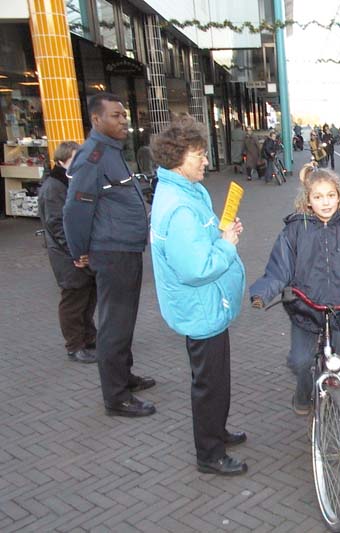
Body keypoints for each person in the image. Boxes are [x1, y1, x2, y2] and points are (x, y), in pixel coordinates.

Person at [149, 115, 248, 476]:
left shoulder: (187, 191)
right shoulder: (179, 206)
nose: (206, 161)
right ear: (178, 158)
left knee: (214, 379)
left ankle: (215, 433)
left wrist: (222, 231)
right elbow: (196, 268)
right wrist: (227, 245)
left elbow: (199, 242)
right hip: (200, 306)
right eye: (199, 155)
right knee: (209, 383)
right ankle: (209, 453)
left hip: (208, 305)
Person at [250, 165, 340, 418]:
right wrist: (262, 293)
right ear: (308, 200)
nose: (326, 202)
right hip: (306, 308)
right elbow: (279, 269)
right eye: (318, 197)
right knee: (301, 361)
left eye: (331, 195)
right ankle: (302, 392)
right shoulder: (294, 230)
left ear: (339, 196)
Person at [63, 92, 156, 417]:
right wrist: (80, 251)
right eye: (115, 115)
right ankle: (116, 397)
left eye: (124, 115)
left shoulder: (112, 153)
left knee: (124, 319)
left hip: (126, 250)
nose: (123, 120)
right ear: (96, 120)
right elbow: (75, 209)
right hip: (111, 252)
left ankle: (124, 376)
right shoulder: (94, 155)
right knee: (114, 323)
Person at [38, 141, 97, 364]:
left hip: (79, 252)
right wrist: (76, 252)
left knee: (88, 297)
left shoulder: (72, 182)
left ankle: (89, 337)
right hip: (67, 256)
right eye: (75, 159)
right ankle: (74, 345)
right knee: (74, 300)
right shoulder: (54, 187)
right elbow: (57, 225)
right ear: (62, 161)